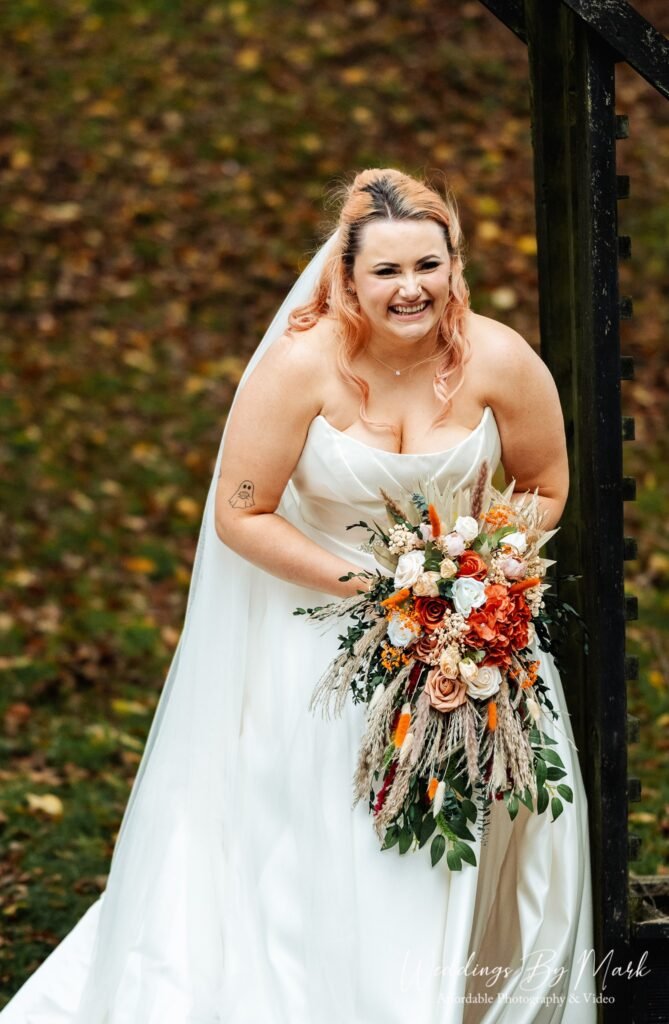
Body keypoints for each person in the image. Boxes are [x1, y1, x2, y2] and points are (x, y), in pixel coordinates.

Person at [1, 168, 597, 1022]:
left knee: (464, 842)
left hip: (472, 640)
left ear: (454, 264)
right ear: (345, 276)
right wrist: (384, 587)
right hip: (320, 640)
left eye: (428, 266)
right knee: (339, 852)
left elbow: (543, 484)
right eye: (386, 271)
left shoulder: (499, 359)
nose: (410, 289)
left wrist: (483, 573)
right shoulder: (301, 367)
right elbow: (242, 513)